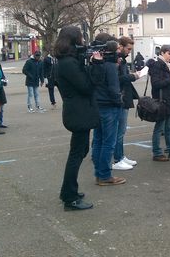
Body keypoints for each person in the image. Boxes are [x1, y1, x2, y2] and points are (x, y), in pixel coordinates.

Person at [55, 25, 104, 211]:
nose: (83, 41)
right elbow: (86, 86)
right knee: (76, 155)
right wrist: (96, 65)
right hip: (78, 113)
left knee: (80, 151)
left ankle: (68, 191)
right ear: (74, 40)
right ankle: (70, 196)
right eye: (81, 38)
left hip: (78, 111)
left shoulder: (68, 60)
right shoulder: (68, 63)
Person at [92, 38, 126, 186]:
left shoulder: (96, 64)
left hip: (98, 105)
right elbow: (113, 88)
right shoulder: (111, 66)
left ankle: (99, 173)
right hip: (110, 106)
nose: (120, 50)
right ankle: (105, 175)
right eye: (118, 48)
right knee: (109, 142)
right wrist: (119, 101)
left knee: (98, 140)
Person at [112, 36, 140, 171]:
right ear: (121, 46)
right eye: (128, 49)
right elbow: (117, 79)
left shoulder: (121, 60)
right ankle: (118, 158)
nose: (129, 51)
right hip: (121, 97)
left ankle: (120, 156)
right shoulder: (117, 60)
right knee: (119, 130)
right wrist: (133, 76)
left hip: (124, 96)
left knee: (121, 130)